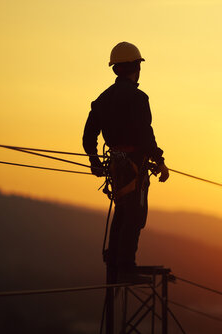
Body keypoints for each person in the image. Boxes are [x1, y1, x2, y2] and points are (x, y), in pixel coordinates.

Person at [82, 41, 169, 283]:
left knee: (122, 211)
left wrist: (94, 161)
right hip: (134, 164)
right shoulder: (139, 98)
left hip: (116, 166)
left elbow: (89, 135)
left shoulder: (103, 99)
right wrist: (159, 160)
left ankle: (114, 262)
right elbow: (145, 134)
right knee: (135, 215)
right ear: (135, 67)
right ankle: (126, 267)